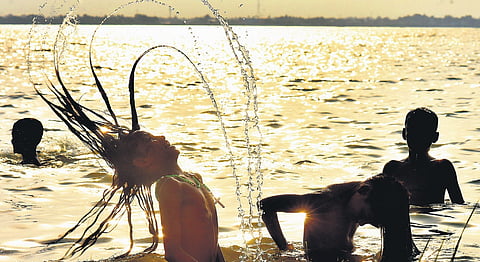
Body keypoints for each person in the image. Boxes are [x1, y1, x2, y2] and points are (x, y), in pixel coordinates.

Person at [38, 44, 225, 261]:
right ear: (142, 161)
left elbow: (213, 243)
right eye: (150, 141)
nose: (162, 138)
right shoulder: (169, 186)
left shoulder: (195, 179)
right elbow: (173, 253)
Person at [259, 175, 418, 262]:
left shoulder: (366, 192)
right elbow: (266, 205)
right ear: (363, 192)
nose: (361, 223)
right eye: (364, 216)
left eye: (369, 222)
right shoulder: (324, 202)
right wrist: (284, 248)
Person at [383, 107, 464, 205]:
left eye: (424, 132)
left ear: (435, 137)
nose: (417, 136)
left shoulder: (442, 167)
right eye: (413, 130)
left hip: (434, 218)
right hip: (403, 219)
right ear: (404, 134)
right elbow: (381, 204)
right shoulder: (392, 168)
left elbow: (458, 203)